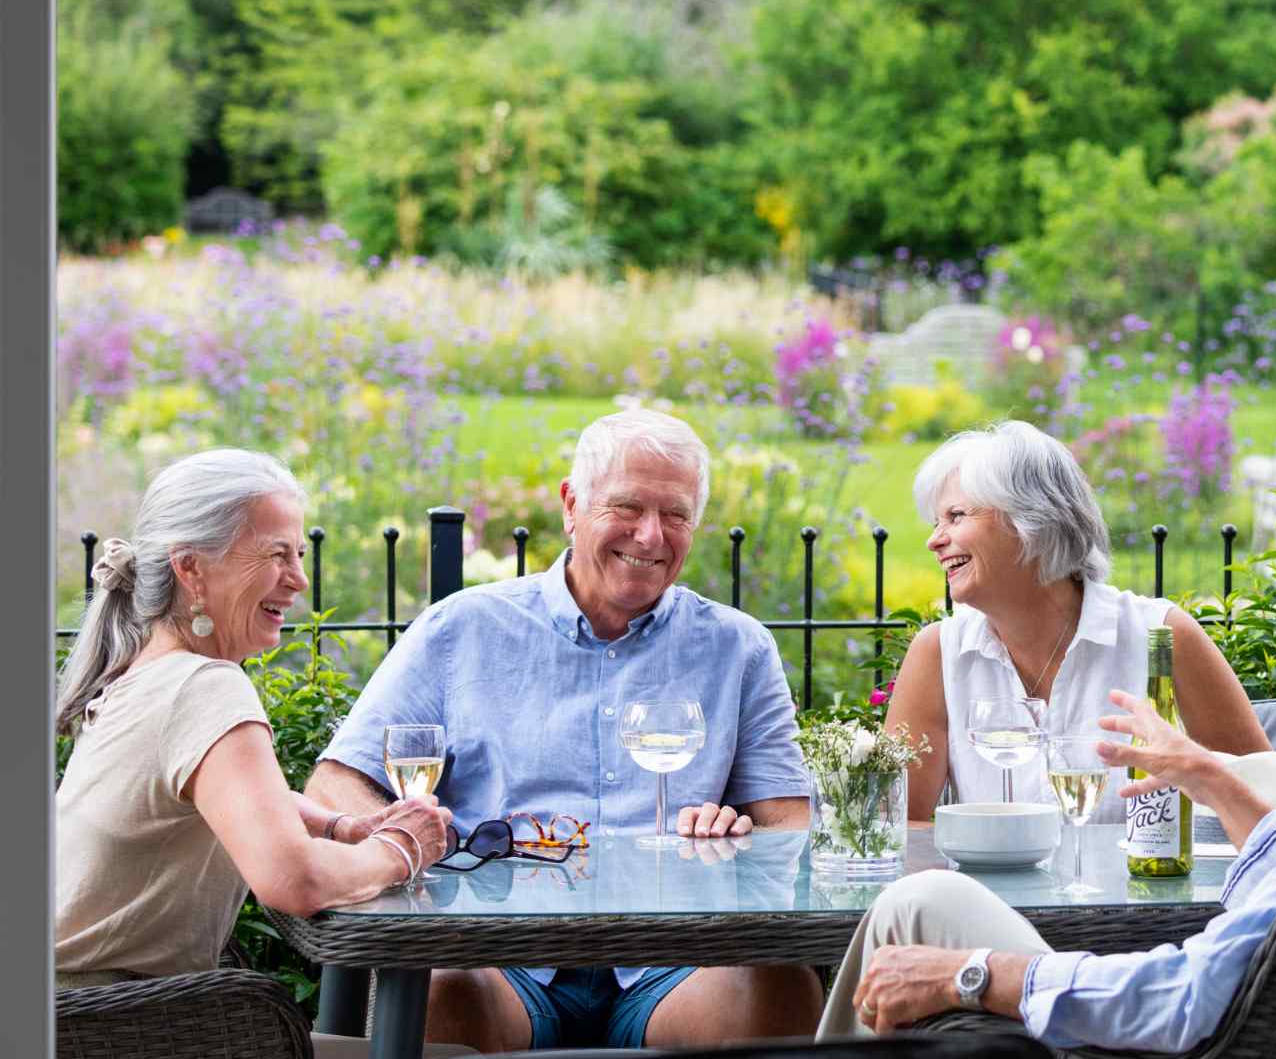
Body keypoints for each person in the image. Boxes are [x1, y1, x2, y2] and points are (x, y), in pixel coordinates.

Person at [818, 497, 1276, 1052]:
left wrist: (973, 974)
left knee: (915, 903)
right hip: (1247, 1020)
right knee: (922, 900)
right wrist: (1205, 774)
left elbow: (1183, 995)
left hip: (1189, 1037)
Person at [307, 410, 823, 1053]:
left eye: (676, 515)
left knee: (783, 992)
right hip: (501, 957)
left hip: (677, 962)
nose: (651, 534)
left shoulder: (736, 648)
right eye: (628, 506)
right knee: (449, 991)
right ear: (571, 504)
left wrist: (737, 839)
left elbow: (789, 826)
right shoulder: (462, 630)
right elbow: (336, 785)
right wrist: (406, 849)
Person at [53, 449, 461, 1059]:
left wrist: (339, 825)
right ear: (192, 569)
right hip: (129, 1032)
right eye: (276, 555)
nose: (298, 577)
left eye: (298, 554)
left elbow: (211, 794)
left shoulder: (142, 671)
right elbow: (294, 880)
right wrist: (403, 849)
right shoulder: (203, 687)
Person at [888, 421, 1270, 823]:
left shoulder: (1162, 636)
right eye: (936, 522)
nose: (934, 540)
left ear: (1032, 518)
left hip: (1142, 887)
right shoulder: (938, 652)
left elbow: (1263, 809)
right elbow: (900, 828)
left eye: (956, 516)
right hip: (990, 887)